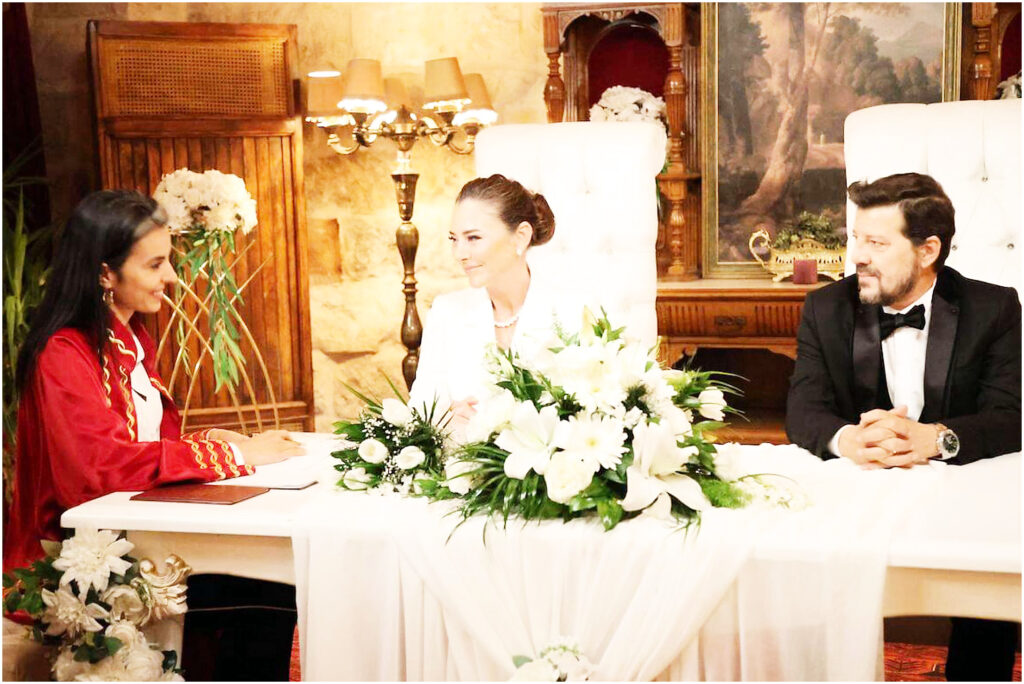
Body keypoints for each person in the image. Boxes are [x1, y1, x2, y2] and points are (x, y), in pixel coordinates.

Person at [3, 189, 303, 680]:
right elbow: (99, 469)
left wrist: (214, 440)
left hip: (139, 534)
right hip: (84, 560)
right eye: (155, 264)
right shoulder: (63, 352)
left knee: (274, 582)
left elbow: (137, 444)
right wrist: (234, 458)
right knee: (267, 589)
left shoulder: (129, 336)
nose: (172, 277)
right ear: (105, 273)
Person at [786, 172, 1021, 680]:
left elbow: (1009, 417)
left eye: (876, 243)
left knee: (990, 552)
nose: (856, 256)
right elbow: (803, 410)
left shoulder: (994, 308)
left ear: (927, 250)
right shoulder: (825, 307)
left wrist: (936, 438)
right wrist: (849, 439)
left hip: (960, 492)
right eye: (856, 239)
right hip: (856, 490)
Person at [410, 174, 582, 432]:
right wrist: (444, 418)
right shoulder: (446, 312)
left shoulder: (573, 313)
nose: (459, 254)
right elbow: (419, 411)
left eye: (473, 238)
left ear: (521, 236)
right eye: (454, 239)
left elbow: (589, 413)